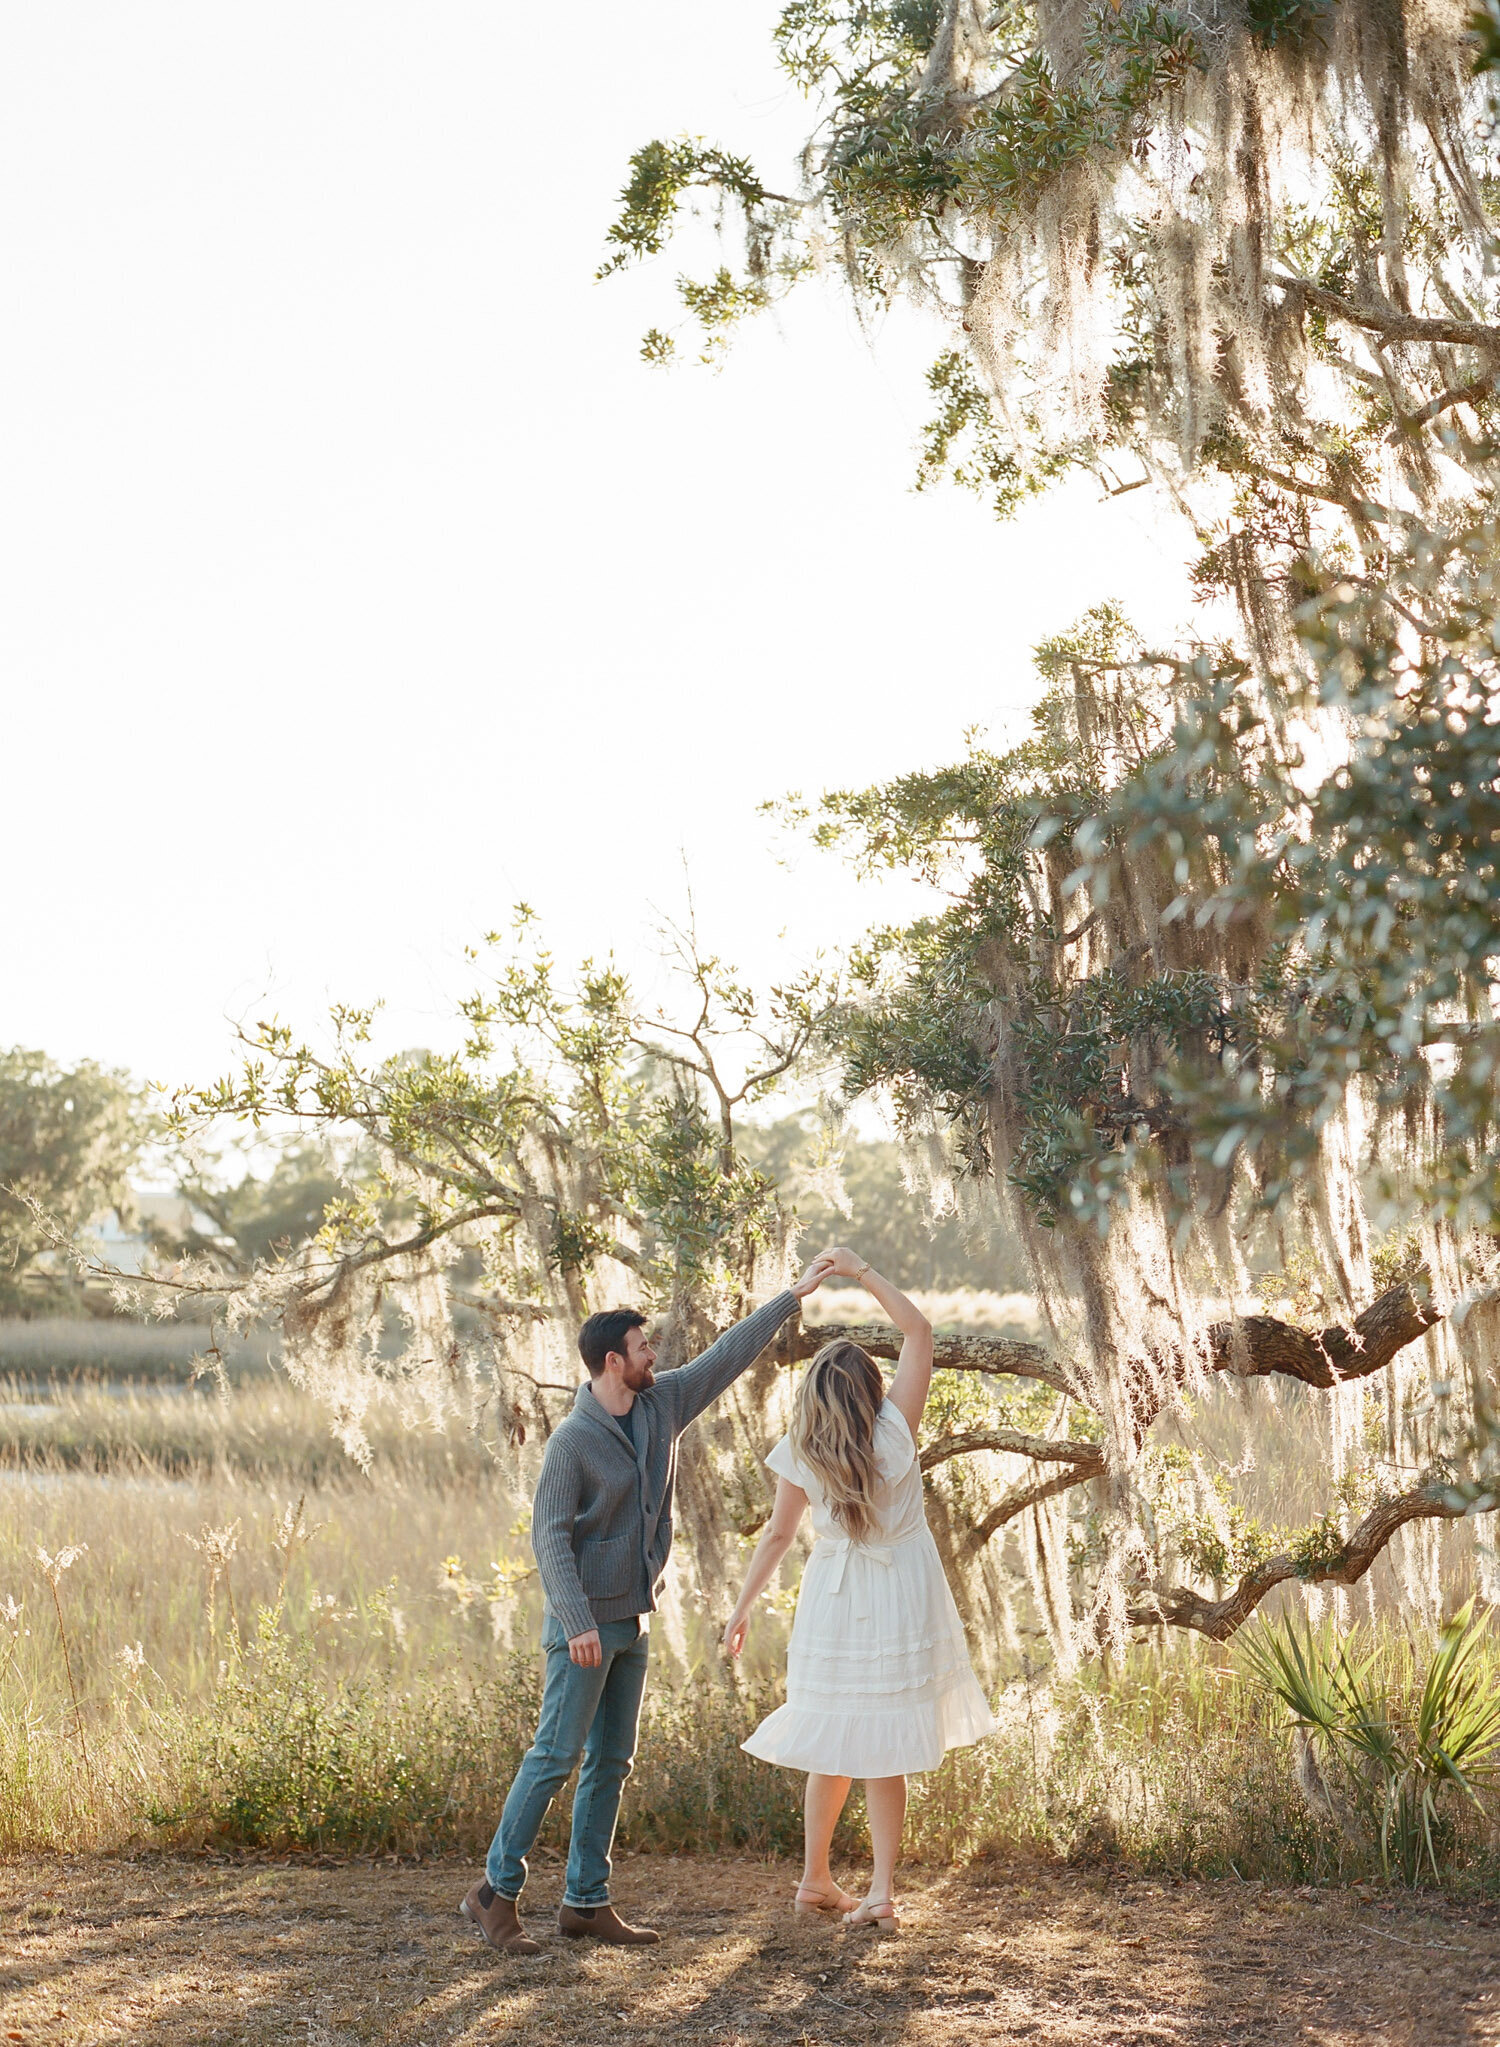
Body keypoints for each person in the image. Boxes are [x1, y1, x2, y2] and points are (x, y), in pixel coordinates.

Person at [460, 1252, 835, 1955]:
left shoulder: (661, 1403)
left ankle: (585, 1900)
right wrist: (576, 1624)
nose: (653, 1352)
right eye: (641, 1346)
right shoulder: (571, 1442)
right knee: (554, 1756)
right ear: (612, 1361)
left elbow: (726, 1356)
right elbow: (548, 1536)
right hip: (584, 1625)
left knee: (612, 1762)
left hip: (633, 1618)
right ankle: (494, 1891)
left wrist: (792, 1296)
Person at [724, 1246, 996, 1935]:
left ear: (816, 1391)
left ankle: (816, 1877)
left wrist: (743, 1606)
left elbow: (778, 1537)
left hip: (832, 1600)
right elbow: (920, 1332)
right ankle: (876, 1889)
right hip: (895, 1594)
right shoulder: (893, 1429)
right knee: (882, 1744)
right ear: (870, 1387)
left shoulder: (802, 1445)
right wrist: (864, 1271)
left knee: (834, 1736)